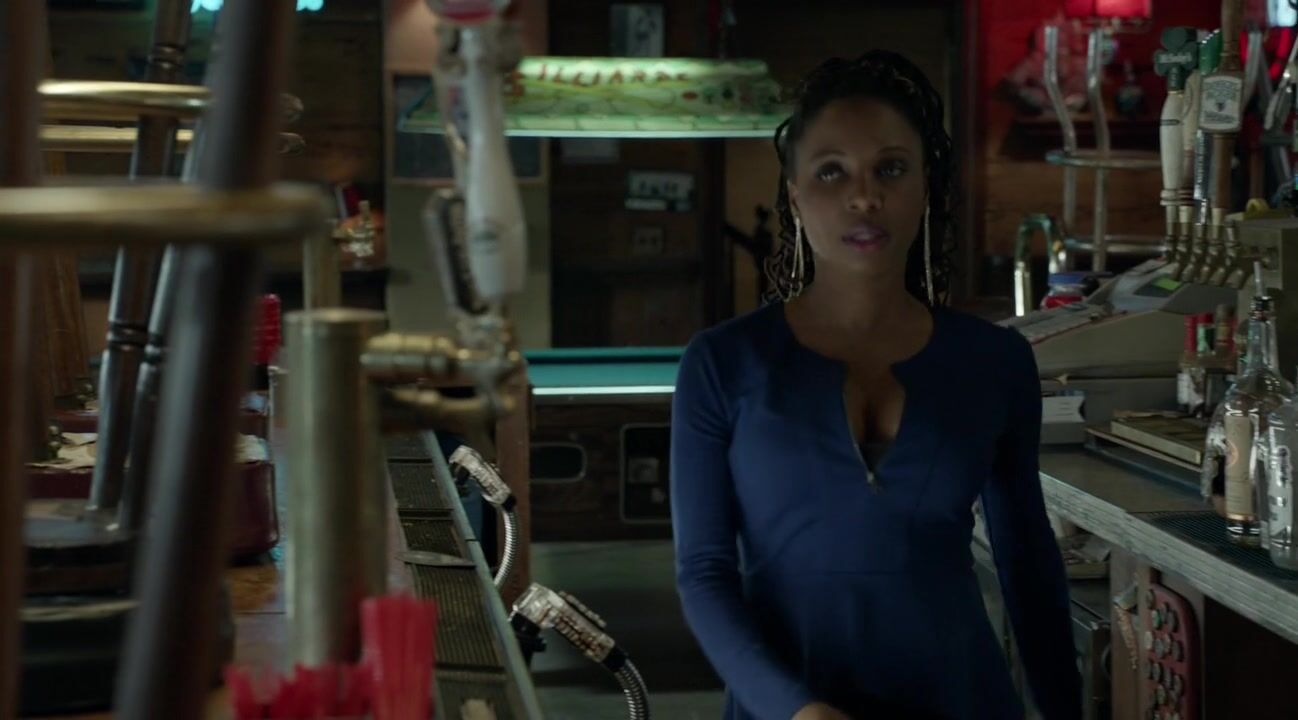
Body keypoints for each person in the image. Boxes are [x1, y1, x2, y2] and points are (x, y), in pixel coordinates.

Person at [669, 51, 1082, 720]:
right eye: (832, 171)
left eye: (890, 168)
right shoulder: (723, 363)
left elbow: (1028, 567)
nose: (864, 197)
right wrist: (796, 710)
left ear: (924, 188)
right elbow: (703, 575)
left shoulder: (994, 360)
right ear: (796, 196)